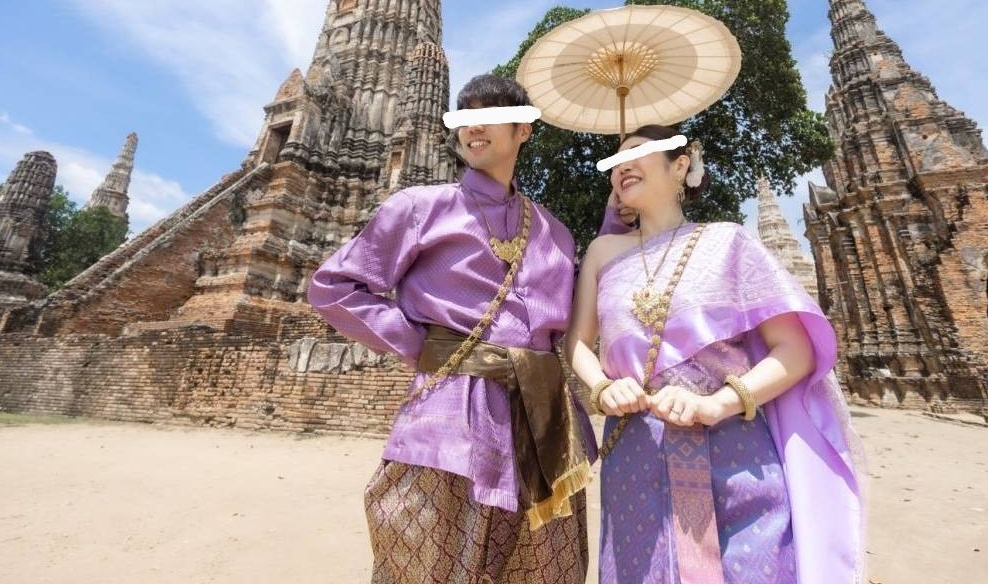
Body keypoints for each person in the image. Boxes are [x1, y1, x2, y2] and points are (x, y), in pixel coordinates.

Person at [308, 74, 595, 584]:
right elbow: (333, 286)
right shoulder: (420, 208)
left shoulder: (556, 233)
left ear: (523, 130)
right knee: (431, 561)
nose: (473, 128)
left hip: (547, 419)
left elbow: (576, 322)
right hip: (455, 412)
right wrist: (420, 344)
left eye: (488, 116)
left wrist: (616, 231)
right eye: (464, 118)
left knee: (546, 570)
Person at [567, 124, 866, 584]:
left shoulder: (728, 241)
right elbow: (578, 343)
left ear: (680, 165)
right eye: (614, 161)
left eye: (637, 152)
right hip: (636, 447)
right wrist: (603, 387)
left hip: (733, 450)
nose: (621, 166)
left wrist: (717, 404)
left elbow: (796, 351)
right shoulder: (603, 253)